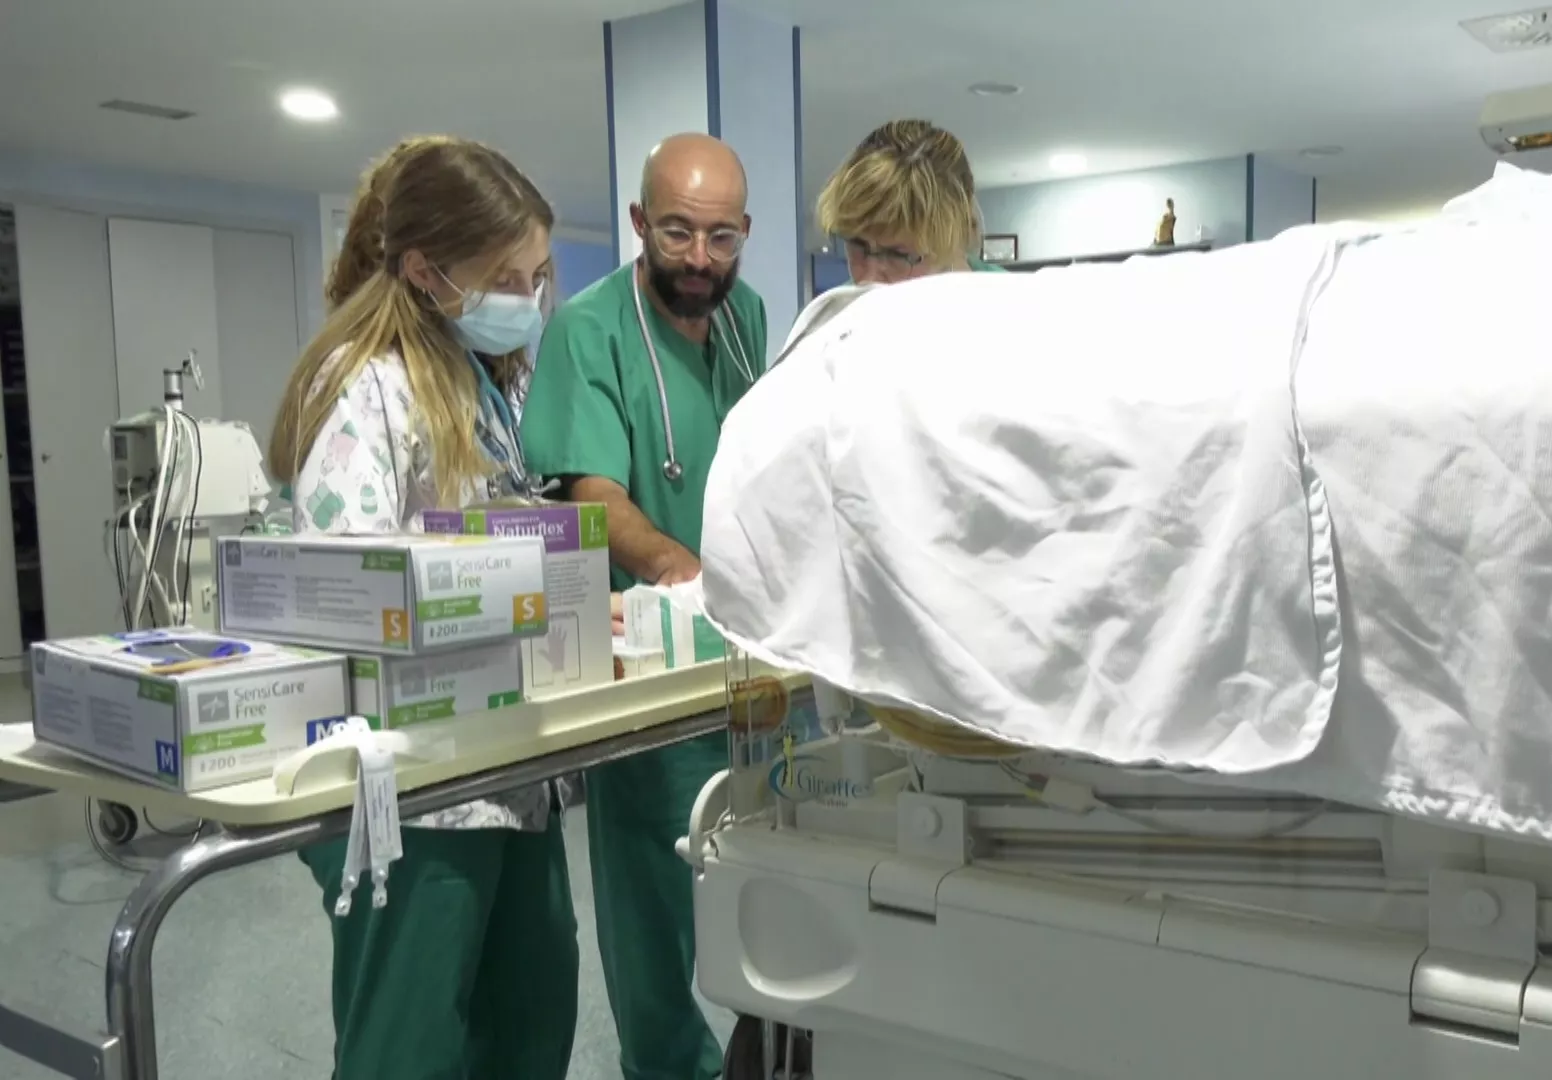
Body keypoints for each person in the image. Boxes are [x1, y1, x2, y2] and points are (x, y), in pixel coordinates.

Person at [266, 136, 577, 1080]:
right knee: (410, 1050)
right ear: (424, 272)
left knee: (529, 1026)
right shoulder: (364, 387)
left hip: (508, 769)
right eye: (504, 277)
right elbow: (339, 598)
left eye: (537, 274)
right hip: (411, 792)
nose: (526, 297)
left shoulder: (489, 382)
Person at [518, 131, 769, 1080]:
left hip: (754, 662)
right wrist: (687, 574)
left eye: (720, 238)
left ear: (744, 232)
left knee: (774, 889)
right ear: (637, 224)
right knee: (653, 912)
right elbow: (591, 491)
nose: (700, 261)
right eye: (675, 234)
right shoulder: (591, 330)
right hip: (652, 665)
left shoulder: (748, 315)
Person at [816, 118, 1008, 283]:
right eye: (858, 246)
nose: (869, 278)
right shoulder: (831, 318)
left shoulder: (1019, 308)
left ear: (956, 239)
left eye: (897, 255)